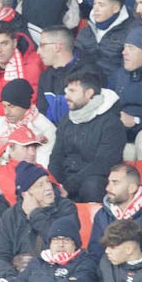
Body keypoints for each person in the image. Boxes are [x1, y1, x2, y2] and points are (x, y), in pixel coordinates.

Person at [49, 68, 125, 204]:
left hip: (94, 181)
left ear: (89, 93)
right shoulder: (67, 119)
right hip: (66, 180)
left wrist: (68, 186)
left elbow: (103, 164)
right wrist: (55, 183)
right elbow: (56, 156)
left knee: (91, 185)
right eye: (67, 90)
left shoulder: (111, 123)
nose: (66, 96)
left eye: (72, 91)